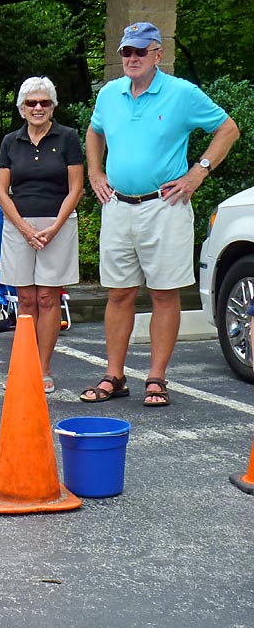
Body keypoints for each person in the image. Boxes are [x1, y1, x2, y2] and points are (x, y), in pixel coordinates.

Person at [80, 22, 239, 406]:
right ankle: (114, 376)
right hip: (118, 205)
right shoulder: (110, 94)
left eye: (139, 51)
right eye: (126, 52)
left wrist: (197, 173)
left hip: (165, 205)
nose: (132, 59)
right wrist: (95, 172)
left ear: (157, 54)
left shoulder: (181, 93)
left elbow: (228, 129)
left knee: (164, 294)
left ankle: (156, 378)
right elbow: (93, 132)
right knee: (118, 294)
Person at [0, 76, 84, 393]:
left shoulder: (69, 137)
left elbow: (76, 188)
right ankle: (24, 366)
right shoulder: (10, 142)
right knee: (26, 299)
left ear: (53, 106)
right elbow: (1, 191)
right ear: (21, 108)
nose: (38, 107)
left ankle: (43, 368)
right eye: (31, 102)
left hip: (57, 225)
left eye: (44, 102)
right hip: (19, 225)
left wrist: (54, 227)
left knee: (49, 298)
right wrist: (25, 228)